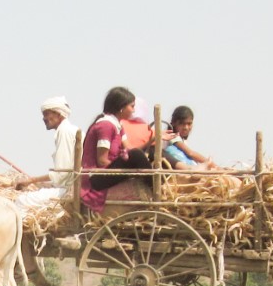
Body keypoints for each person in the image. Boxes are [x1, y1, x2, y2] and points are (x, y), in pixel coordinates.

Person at [79, 85, 153, 213]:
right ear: (121, 107)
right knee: (136, 155)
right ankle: (157, 187)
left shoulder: (118, 125)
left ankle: (158, 183)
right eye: (132, 106)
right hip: (97, 177)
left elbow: (130, 148)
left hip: (109, 170)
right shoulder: (106, 126)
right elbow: (102, 161)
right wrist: (126, 168)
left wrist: (152, 141)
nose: (134, 110)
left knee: (152, 152)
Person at [13, 96, 81, 206]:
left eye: (46, 114)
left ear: (58, 114)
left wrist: (31, 180)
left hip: (68, 190)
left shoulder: (64, 131)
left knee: (22, 201)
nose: (44, 119)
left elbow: (61, 173)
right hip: (69, 187)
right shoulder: (71, 129)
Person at [162, 105, 217, 170]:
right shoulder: (172, 137)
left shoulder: (182, 140)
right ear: (173, 123)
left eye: (189, 124)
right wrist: (212, 164)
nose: (186, 127)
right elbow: (190, 153)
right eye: (182, 123)